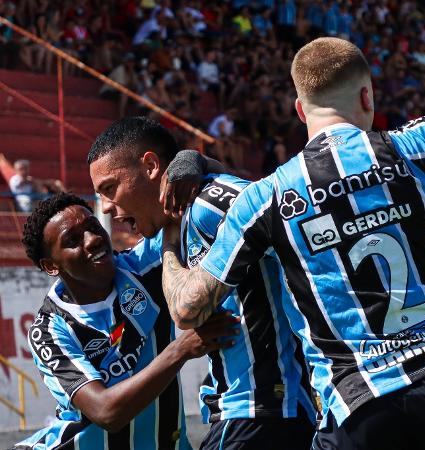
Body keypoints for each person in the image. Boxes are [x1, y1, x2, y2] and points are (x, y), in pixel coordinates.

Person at [161, 37, 425, 449]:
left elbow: (187, 308)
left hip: (358, 407)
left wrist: (171, 243)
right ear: (367, 96)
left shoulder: (266, 197)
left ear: (300, 110)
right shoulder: (416, 145)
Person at [88, 117, 316, 449]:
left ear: (151, 166)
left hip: (261, 412)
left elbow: (278, 207)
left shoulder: (207, 201)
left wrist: (196, 161)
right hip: (259, 415)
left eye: (110, 188)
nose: (107, 207)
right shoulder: (165, 229)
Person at [13, 192, 238, 450]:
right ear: (51, 266)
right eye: (73, 240)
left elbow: (186, 207)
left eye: (93, 227)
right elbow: (106, 412)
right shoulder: (50, 330)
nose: (93, 239)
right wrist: (180, 350)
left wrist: (192, 162)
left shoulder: (144, 266)